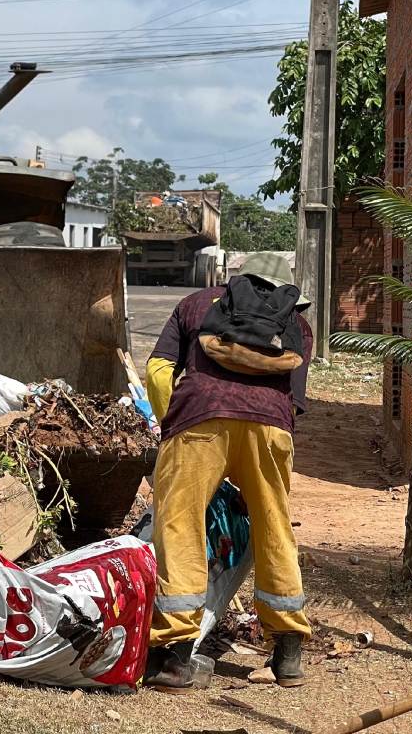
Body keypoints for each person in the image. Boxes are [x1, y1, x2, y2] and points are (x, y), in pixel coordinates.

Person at [143, 252, 313, 692]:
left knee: (180, 525)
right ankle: (288, 651)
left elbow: (159, 372)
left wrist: (170, 425)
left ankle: (176, 655)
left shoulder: (197, 305)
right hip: (271, 428)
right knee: (273, 526)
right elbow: (293, 401)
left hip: (199, 421)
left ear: (237, 281)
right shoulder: (298, 326)